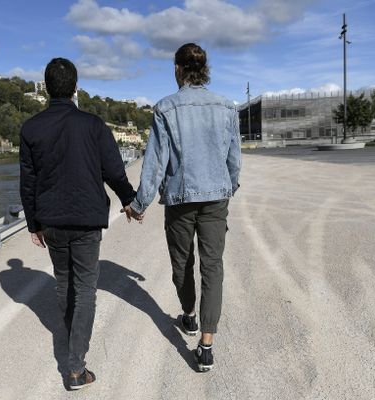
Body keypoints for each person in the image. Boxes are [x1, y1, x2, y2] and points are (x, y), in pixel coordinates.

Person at [123, 43, 241, 372]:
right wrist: (228, 186)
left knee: (182, 265)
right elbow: (234, 158)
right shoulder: (227, 106)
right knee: (213, 268)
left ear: (177, 69)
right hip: (216, 198)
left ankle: (189, 316)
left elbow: (155, 164)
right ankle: (206, 345)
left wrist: (139, 203)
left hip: (180, 200)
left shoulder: (164, 109)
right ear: (204, 70)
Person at [20, 58, 136, 390]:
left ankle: (73, 345)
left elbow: (27, 182)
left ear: (45, 87)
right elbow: (113, 169)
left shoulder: (31, 128)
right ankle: (75, 367)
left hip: (51, 219)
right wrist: (129, 201)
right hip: (86, 219)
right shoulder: (93, 124)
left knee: (63, 283)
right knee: (85, 289)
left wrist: (33, 224)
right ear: (75, 86)